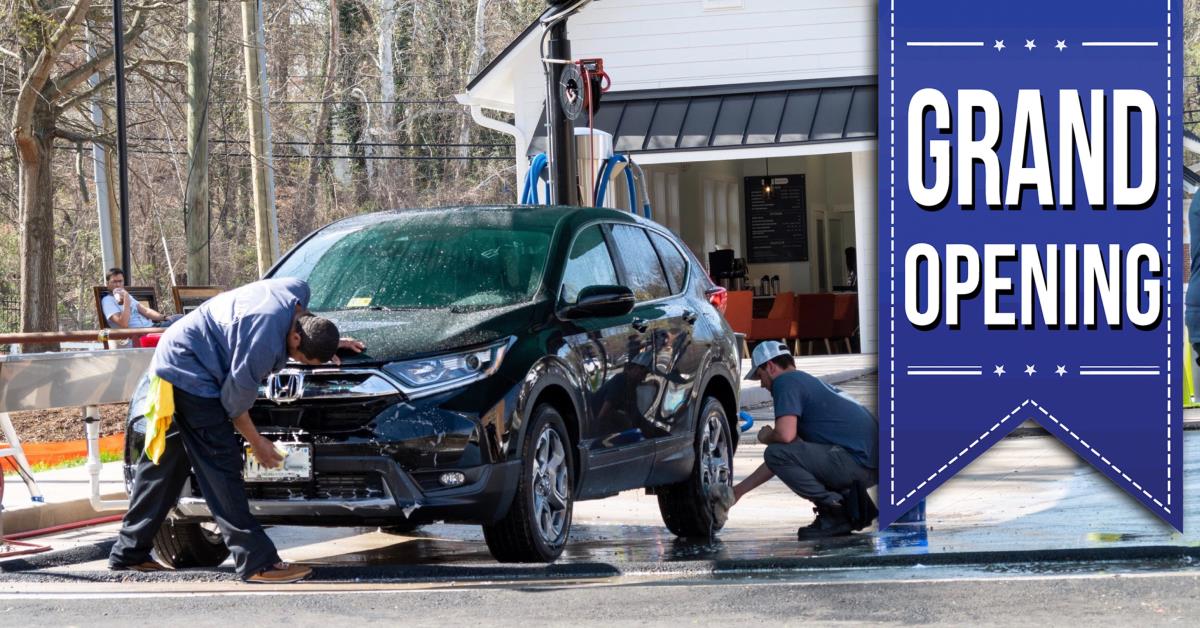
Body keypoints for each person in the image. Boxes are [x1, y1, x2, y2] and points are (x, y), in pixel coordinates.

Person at [108, 277, 364, 583]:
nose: (297, 362)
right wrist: (257, 443)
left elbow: (309, 325)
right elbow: (234, 404)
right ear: (295, 339)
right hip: (192, 371)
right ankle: (257, 562)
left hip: (175, 352)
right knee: (221, 466)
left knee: (163, 467)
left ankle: (128, 554)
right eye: (302, 359)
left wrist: (330, 342)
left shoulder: (297, 291)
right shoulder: (263, 343)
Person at [716, 341, 879, 539]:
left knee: (776, 451)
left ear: (770, 367)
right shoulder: (807, 383)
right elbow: (788, 456)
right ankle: (845, 506)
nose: (762, 384)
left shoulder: (786, 382)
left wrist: (767, 436)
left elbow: (784, 437)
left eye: (760, 376)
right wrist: (737, 492)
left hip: (857, 462)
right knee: (781, 453)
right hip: (868, 465)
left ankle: (835, 511)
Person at [100, 267, 180, 329]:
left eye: (120, 281)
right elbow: (123, 324)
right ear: (107, 284)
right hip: (138, 334)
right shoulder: (107, 301)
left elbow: (146, 311)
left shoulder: (126, 295)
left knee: (180, 317)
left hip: (151, 327)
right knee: (181, 323)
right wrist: (126, 302)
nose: (118, 285)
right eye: (114, 282)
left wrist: (164, 317)